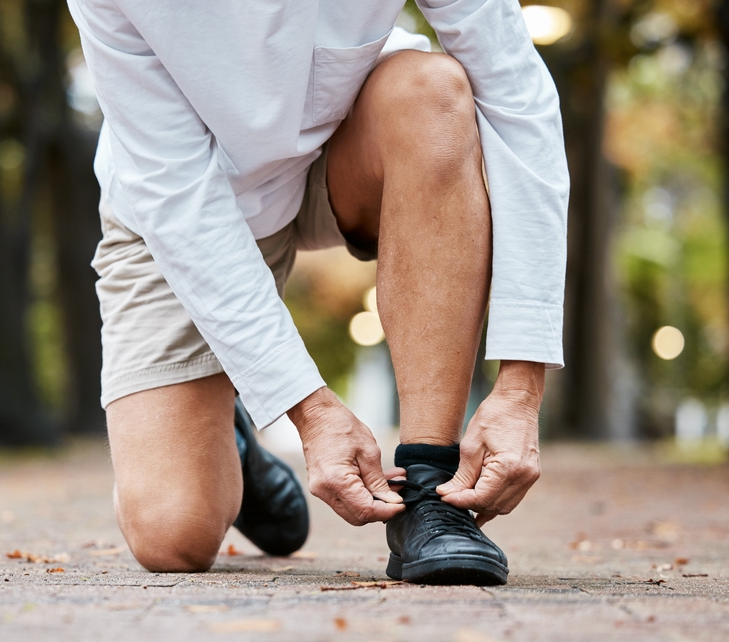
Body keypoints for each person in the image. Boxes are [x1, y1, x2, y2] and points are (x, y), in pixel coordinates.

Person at [70, 0, 568, 585]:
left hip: (344, 143)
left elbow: (517, 96)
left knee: (433, 91)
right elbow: (176, 194)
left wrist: (521, 387)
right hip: (191, 199)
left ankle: (433, 490)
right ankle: (229, 423)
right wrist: (304, 407)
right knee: (173, 533)